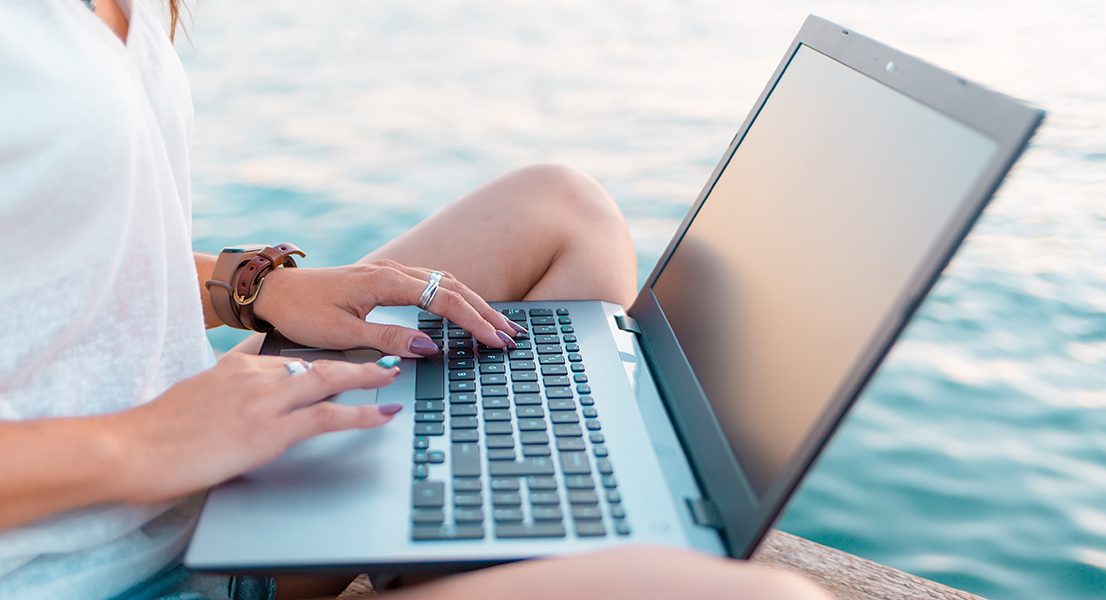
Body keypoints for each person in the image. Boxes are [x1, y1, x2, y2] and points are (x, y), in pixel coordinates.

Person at [0, 1, 829, 599]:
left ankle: (435, 524)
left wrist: (247, 287)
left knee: (560, 211)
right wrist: (142, 444)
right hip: (104, 570)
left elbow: (52, 250)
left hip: (197, 496)